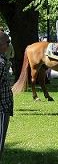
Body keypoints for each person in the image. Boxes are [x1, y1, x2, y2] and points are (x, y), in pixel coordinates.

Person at [0, 31, 13, 160]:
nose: (9, 45)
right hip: (2, 106)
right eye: (7, 42)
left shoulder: (3, 59)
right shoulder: (1, 62)